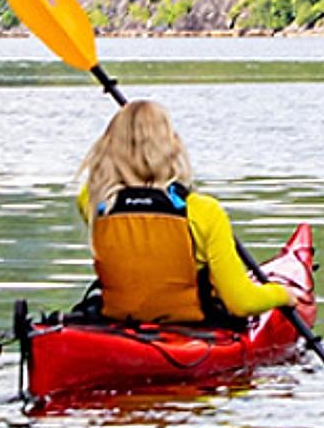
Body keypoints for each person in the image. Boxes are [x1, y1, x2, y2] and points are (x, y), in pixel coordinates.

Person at [73, 98, 292, 326]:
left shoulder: (94, 203)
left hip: (119, 322)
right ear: (172, 147)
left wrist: (129, 141)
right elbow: (241, 302)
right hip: (191, 330)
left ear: (109, 147)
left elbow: (105, 190)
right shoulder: (203, 211)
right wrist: (283, 294)